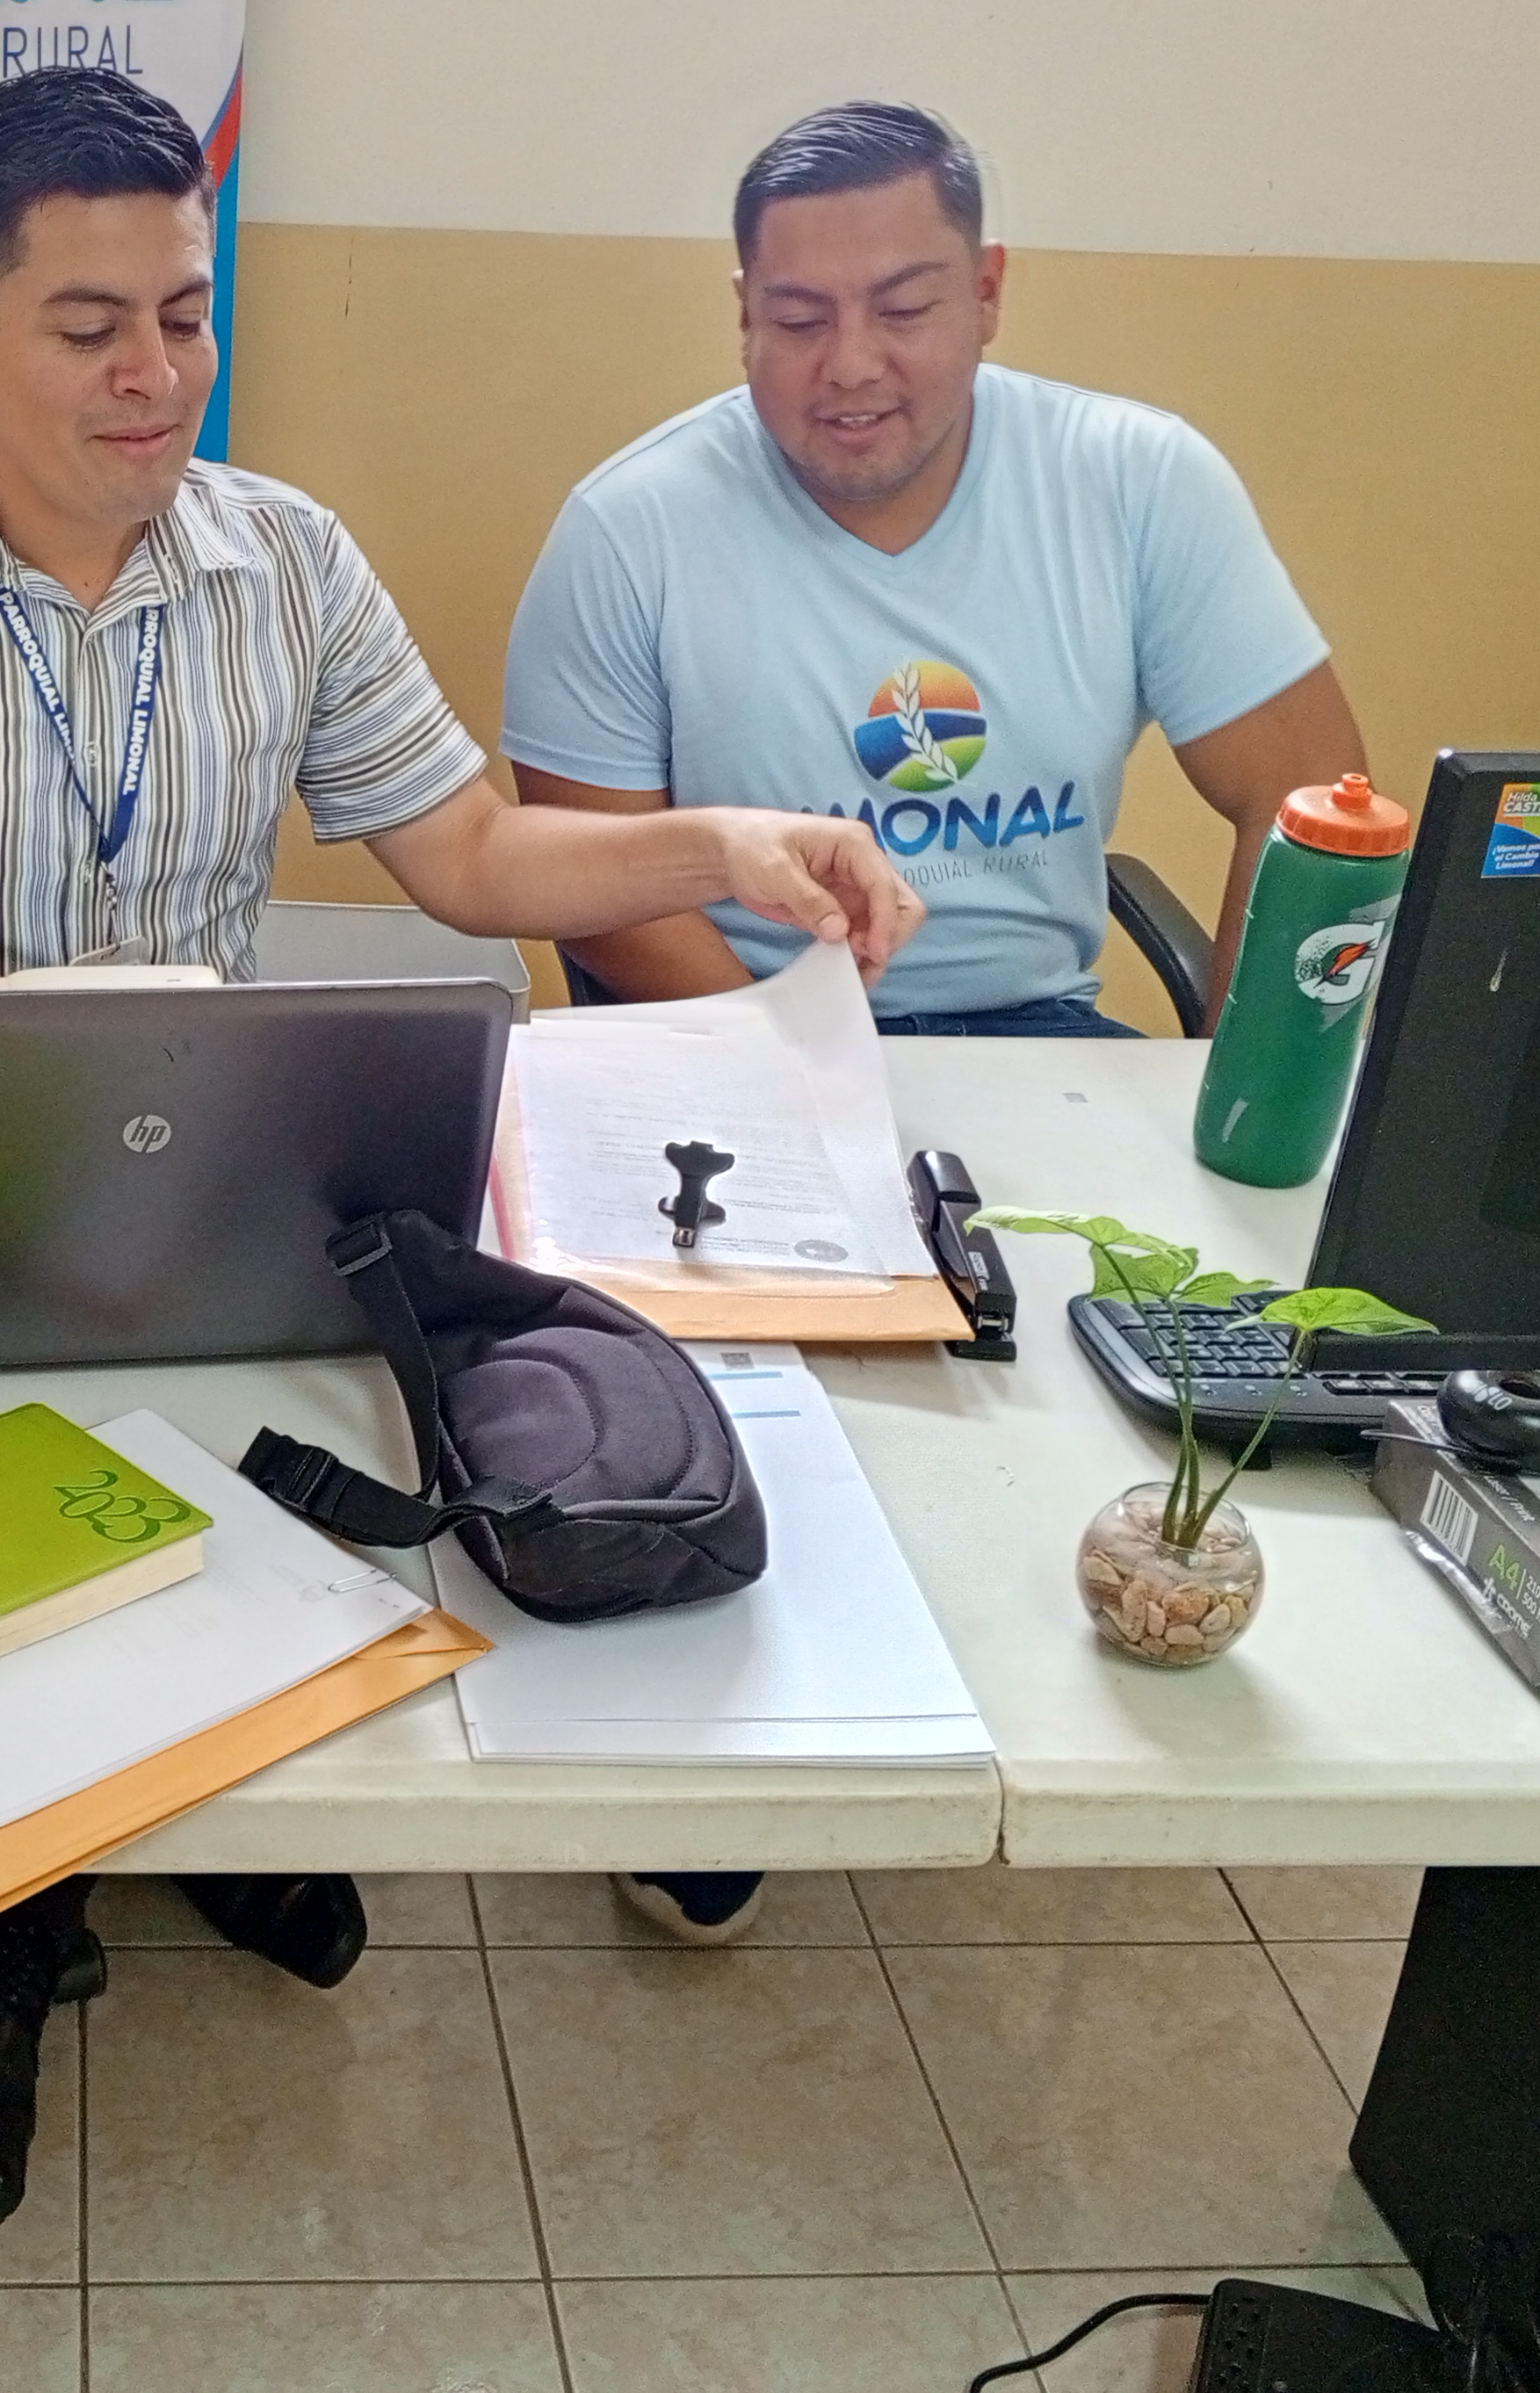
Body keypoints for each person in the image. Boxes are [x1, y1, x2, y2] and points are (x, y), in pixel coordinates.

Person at [0, 66, 924, 2225]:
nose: (154, 374)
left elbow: (471, 851)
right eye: (87, 327)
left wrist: (723, 841)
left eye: (183, 314)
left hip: (207, 1186)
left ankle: (189, 1820)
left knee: (244, 1508)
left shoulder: (280, 559)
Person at [498, 98, 1367, 1946]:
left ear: (986, 291)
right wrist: (802, 1076)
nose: (851, 365)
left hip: (1038, 1031)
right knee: (761, 1400)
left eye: (902, 306)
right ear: (740, 313)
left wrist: (1244, 1075)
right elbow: (586, 877)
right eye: (796, 316)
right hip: (729, 1032)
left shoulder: (1136, 482)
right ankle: (733, 1732)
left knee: (1162, 1357)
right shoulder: (633, 526)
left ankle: (1046, 1667)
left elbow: (1308, 802)